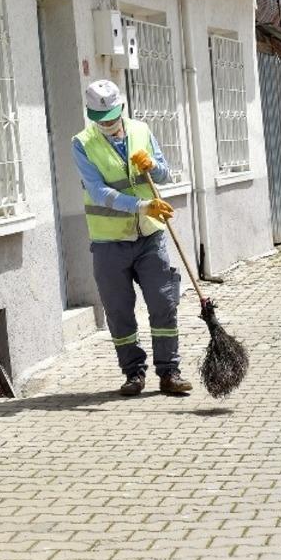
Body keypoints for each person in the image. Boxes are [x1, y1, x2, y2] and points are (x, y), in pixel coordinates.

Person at [71, 80, 192, 396]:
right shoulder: (82, 143)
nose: (108, 124)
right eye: (101, 119)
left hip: (150, 237)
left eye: (112, 117)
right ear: (91, 116)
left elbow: (166, 173)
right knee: (119, 310)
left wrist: (154, 166)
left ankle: (170, 372)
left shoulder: (141, 130)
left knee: (164, 303)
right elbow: (98, 192)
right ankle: (133, 374)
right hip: (109, 243)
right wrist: (142, 206)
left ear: (121, 108)